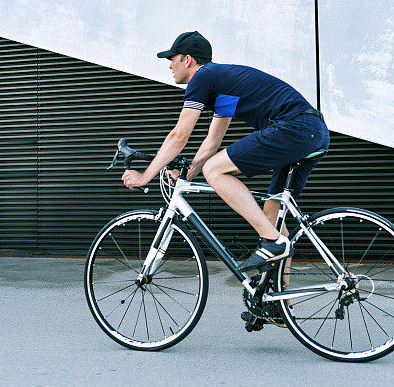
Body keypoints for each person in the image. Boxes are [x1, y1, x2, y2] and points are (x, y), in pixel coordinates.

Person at [122, 31, 329, 271]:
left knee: (215, 170)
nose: (169, 65)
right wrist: (185, 177)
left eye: (172, 58)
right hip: (312, 132)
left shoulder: (203, 77)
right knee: (272, 216)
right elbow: (212, 142)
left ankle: (272, 242)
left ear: (187, 60)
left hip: (295, 127)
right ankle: (280, 303)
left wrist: (144, 176)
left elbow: (179, 135)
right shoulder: (221, 87)